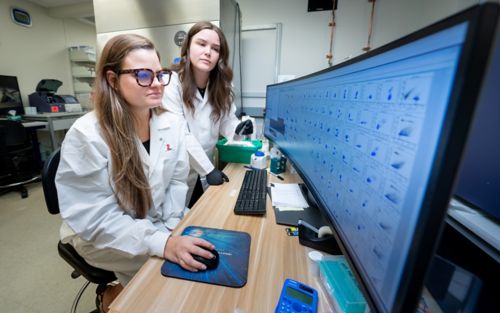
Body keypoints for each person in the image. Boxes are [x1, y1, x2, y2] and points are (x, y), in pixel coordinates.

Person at [56, 34, 217, 310]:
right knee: (170, 275)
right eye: (143, 75)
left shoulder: (170, 122)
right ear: (112, 79)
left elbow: (177, 181)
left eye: (159, 74)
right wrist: (163, 242)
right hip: (98, 235)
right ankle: (110, 298)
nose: (156, 84)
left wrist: (171, 226)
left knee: (202, 245)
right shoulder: (87, 134)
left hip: (155, 221)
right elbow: (95, 217)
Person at [163, 21, 253, 207]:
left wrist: (238, 128)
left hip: (206, 166)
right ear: (187, 47)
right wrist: (209, 169)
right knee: (176, 219)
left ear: (220, 55)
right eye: (201, 44)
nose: (208, 52)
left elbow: (226, 121)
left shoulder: (224, 87)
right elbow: (180, 133)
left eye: (215, 48)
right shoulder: (171, 84)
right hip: (178, 169)